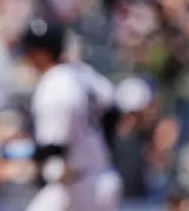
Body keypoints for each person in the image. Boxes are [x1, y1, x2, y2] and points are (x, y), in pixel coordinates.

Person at [23, 18, 122, 211]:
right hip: (101, 176)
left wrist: (16, 152)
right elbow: (113, 110)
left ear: (40, 54)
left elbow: (54, 147)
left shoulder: (53, 85)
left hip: (81, 187)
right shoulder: (83, 73)